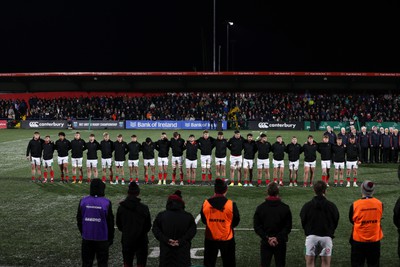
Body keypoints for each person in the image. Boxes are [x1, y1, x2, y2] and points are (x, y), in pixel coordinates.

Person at [200, 178, 240, 267]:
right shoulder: (231, 204)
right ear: (226, 190)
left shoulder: (205, 203)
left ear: (214, 190)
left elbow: (203, 220)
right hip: (227, 238)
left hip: (210, 238)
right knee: (229, 263)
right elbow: (236, 221)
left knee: (209, 264)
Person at [152, 190, 197, 267]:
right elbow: (192, 231)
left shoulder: (162, 215)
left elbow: (155, 229)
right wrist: (180, 241)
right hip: (183, 254)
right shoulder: (188, 216)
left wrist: (167, 240)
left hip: (166, 255)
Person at [300, 181, 339, 267]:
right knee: (325, 263)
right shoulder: (332, 206)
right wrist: (330, 231)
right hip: (326, 237)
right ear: (325, 191)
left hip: (311, 237)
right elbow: (335, 220)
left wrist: (308, 231)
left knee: (309, 263)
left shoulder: (307, 206)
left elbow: (303, 220)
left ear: (314, 190)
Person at [76, 179, 115, 267]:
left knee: (86, 263)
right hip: (102, 238)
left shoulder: (83, 201)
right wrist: (110, 237)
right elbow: (110, 222)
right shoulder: (106, 202)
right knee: (102, 264)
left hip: (87, 238)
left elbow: (79, 219)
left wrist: (83, 232)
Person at [253, 182, 292, 267]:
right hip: (280, 242)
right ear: (278, 192)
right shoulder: (285, 208)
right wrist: (277, 238)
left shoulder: (261, 208)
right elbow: (288, 227)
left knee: (264, 264)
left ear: (267, 192)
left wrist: (267, 238)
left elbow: (257, 227)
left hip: (266, 241)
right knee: (280, 264)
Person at [349, 180, 383, 267]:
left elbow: (351, 220)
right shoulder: (379, 204)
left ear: (362, 190)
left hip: (358, 240)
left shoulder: (355, 205)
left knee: (357, 264)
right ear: (373, 190)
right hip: (374, 240)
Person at [117, 182, 151, 267]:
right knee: (141, 263)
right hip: (141, 240)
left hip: (127, 239)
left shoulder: (121, 208)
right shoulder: (144, 208)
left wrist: (127, 231)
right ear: (138, 193)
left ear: (128, 192)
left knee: (127, 263)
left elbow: (119, 225)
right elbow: (148, 226)